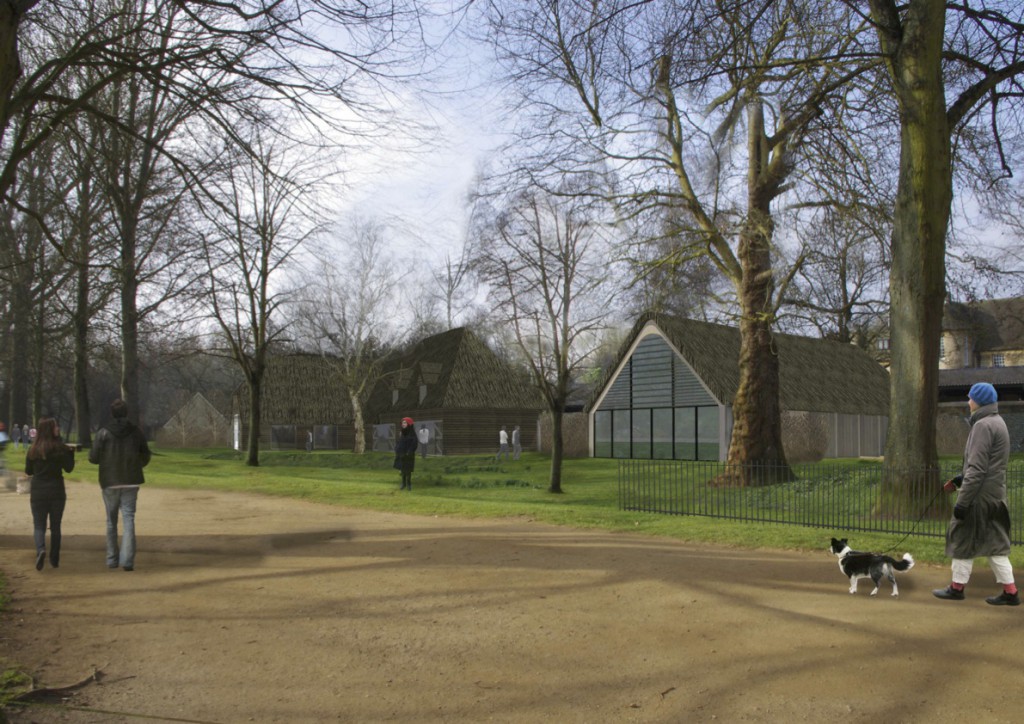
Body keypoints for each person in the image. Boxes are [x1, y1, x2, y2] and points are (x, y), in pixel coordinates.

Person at [933, 382, 1019, 606]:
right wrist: (961, 478)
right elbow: (988, 465)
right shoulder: (998, 422)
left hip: (978, 497)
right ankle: (1010, 591)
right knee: (995, 543)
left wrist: (963, 501)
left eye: (970, 398)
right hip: (995, 494)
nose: (968, 401)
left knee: (961, 537)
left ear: (978, 401)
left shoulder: (982, 426)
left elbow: (978, 468)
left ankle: (956, 588)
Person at [89, 399, 152, 572]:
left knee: (111, 521)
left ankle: (111, 559)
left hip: (110, 481)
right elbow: (146, 454)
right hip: (131, 480)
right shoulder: (136, 432)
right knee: (129, 519)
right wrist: (137, 464)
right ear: (126, 413)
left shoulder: (103, 433)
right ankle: (128, 560)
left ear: (111, 413)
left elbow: (93, 458)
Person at [24, 418, 75, 571]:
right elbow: (69, 469)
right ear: (50, 430)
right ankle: (54, 558)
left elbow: (28, 471)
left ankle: (40, 550)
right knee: (56, 526)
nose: (58, 428)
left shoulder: (33, 449)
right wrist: (71, 454)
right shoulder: (61, 448)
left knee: (39, 525)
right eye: (56, 426)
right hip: (56, 490)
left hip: (38, 491)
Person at [395, 417, 417, 490]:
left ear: (409, 424)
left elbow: (414, 443)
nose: (403, 424)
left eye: (405, 423)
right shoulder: (402, 433)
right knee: (402, 469)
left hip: (408, 454)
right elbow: (399, 442)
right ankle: (403, 484)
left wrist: (409, 451)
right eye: (402, 423)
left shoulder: (412, 434)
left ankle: (409, 484)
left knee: (408, 470)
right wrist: (397, 449)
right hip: (402, 453)